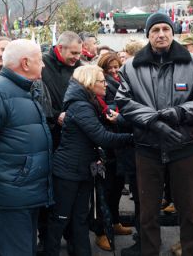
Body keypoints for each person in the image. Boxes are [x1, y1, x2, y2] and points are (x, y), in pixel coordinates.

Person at [115, 12, 193, 255]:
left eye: (165, 29)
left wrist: (177, 113)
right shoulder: (131, 66)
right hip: (147, 148)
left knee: (189, 211)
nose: (160, 34)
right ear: (147, 34)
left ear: (172, 32)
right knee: (148, 213)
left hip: (184, 146)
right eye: (155, 30)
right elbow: (124, 102)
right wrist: (154, 123)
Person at [0, 39, 52, 255]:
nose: (43, 65)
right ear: (25, 63)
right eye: (39, 60)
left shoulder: (26, 90)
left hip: (26, 192)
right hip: (10, 195)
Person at [45, 65, 133, 256]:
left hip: (80, 169)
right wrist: (133, 137)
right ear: (90, 83)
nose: (106, 85)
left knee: (80, 218)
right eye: (101, 81)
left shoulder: (87, 103)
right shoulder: (81, 106)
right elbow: (102, 137)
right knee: (61, 218)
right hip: (69, 171)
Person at [93, 53, 133, 251]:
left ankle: (115, 222)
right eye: (111, 68)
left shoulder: (121, 82)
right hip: (108, 145)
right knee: (106, 192)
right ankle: (102, 231)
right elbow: (102, 108)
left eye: (117, 67)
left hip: (119, 147)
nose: (115, 71)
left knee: (116, 188)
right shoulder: (101, 84)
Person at [42, 31, 82, 149]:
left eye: (79, 53)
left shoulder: (79, 65)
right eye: (74, 53)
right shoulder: (42, 63)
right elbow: (36, 97)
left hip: (73, 128)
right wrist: (55, 115)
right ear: (60, 48)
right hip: (51, 130)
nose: (77, 58)